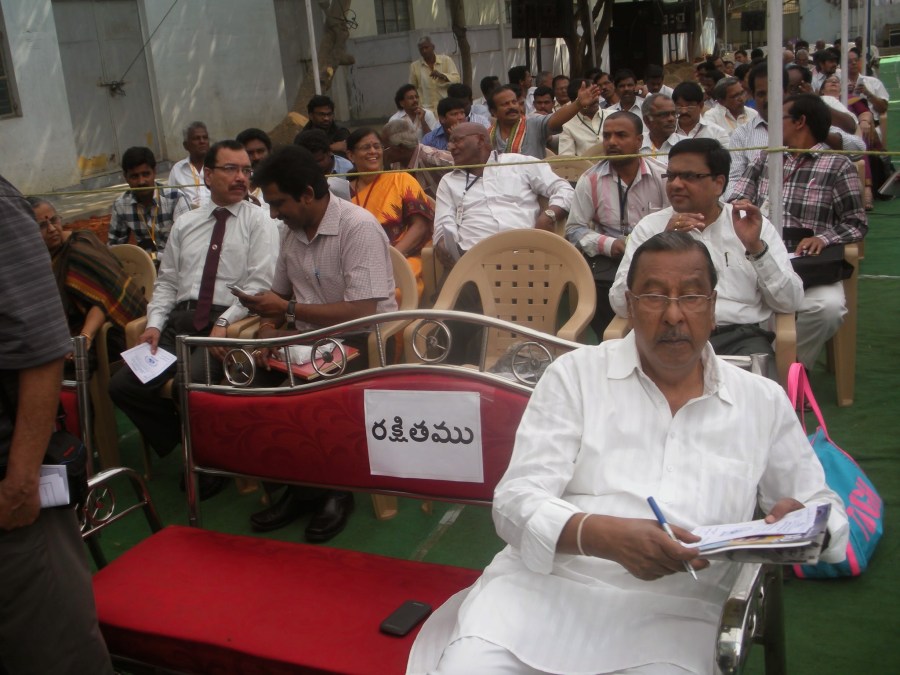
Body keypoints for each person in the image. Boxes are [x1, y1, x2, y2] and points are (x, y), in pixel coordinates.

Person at [407, 230, 848, 675]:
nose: (674, 314)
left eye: (691, 296)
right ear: (631, 307)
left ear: (712, 307)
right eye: (654, 296)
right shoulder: (575, 376)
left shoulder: (761, 401)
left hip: (681, 608)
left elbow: (824, 509)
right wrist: (598, 535)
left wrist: (801, 526)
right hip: (541, 593)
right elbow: (514, 501)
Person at [238, 145, 398, 541]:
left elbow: (362, 311)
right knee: (246, 384)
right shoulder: (291, 233)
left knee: (302, 392)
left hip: (363, 340)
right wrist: (267, 328)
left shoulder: (357, 227)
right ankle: (296, 486)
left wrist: (288, 312)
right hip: (308, 340)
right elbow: (278, 296)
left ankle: (334, 491)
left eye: (279, 203)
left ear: (307, 194)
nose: (273, 214)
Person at [109, 140, 278, 498]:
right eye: (231, 169)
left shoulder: (259, 221)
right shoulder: (186, 223)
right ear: (208, 175)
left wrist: (225, 322)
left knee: (192, 381)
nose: (241, 177)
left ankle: (209, 461)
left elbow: (259, 284)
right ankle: (195, 445)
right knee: (123, 386)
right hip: (180, 322)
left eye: (246, 170)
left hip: (224, 321)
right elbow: (167, 282)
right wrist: (154, 325)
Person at [0, 173, 115, 674]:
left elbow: (43, 346)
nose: (49, 230)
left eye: (52, 222)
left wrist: (21, 482)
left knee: (51, 649)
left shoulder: (6, 212)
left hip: (10, 491)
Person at [611, 138, 804, 364]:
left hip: (737, 338)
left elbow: (790, 301)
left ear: (718, 184)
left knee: (755, 382)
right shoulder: (651, 228)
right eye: (671, 176)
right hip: (667, 333)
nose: (676, 184)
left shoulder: (750, 225)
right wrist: (661, 245)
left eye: (689, 176)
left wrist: (756, 249)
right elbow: (620, 302)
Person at [729, 94, 867, 370]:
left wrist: (823, 238)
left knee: (828, 309)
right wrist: (743, 207)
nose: (772, 125)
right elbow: (737, 196)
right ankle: (771, 370)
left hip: (808, 264)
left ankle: (784, 370)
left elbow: (856, 222)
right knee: (741, 305)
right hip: (759, 255)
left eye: (779, 118)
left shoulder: (837, 165)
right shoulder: (767, 157)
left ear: (800, 122)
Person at [566, 111, 668, 334]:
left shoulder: (663, 176)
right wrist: (610, 245)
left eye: (621, 135)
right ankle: (611, 339)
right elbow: (574, 229)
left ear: (639, 141)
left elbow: (674, 220)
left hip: (657, 253)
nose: (612, 142)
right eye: (607, 136)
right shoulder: (590, 179)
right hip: (611, 258)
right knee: (596, 287)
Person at [434, 123, 573, 268]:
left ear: (480, 140)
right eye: (450, 142)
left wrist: (549, 216)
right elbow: (444, 223)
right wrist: (444, 243)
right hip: (473, 260)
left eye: (456, 141)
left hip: (524, 255)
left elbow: (564, 189)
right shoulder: (448, 181)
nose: (450, 147)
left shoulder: (519, 163)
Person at [31, 197, 146, 370]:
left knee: (59, 363)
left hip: (107, 328)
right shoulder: (34, 258)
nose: (52, 229)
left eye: (54, 220)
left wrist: (85, 337)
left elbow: (104, 296)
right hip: (64, 330)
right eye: (42, 225)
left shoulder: (80, 247)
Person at [726, 62, 865, 198]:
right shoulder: (742, 134)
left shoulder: (807, 124)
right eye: (761, 94)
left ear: (786, 91)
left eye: (774, 92)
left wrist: (818, 133)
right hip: (758, 209)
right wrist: (741, 205)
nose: (768, 99)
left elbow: (858, 150)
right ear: (752, 95)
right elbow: (734, 179)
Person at [346, 128, 434, 299]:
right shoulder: (343, 191)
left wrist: (390, 258)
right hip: (357, 262)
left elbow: (420, 226)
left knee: (392, 293)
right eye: (366, 147)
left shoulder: (401, 179)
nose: (373, 151)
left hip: (402, 257)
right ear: (351, 155)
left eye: (377, 146)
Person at [108, 145, 192, 258]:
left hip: (177, 261)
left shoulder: (175, 198)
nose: (141, 181)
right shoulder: (121, 205)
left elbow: (189, 243)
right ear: (126, 177)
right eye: (134, 176)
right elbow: (114, 248)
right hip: (144, 265)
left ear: (154, 172)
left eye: (146, 174)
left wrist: (154, 257)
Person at [487, 80, 601, 159]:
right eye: (505, 104)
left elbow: (555, 119)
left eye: (514, 102)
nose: (512, 106)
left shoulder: (533, 123)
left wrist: (578, 104)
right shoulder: (487, 135)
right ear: (493, 111)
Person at [294, 128, 353, 200]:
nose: (312, 166)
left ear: (329, 152)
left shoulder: (348, 170)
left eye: (318, 161)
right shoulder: (297, 171)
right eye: (307, 162)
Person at [409, 36, 460, 114]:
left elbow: (457, 79)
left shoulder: (446, 60)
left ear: (433, 47)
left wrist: (442, 76)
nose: (424, 51)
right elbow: (412, 88)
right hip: (426, 110)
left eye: (426, 47)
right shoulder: (414, 66)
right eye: (421, 49)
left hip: (445, 107)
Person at [672, 82, 730, 147]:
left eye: (689, 107)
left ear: (701, 105)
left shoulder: (717, 133)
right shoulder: (667, 131)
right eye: (679, 106)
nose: (683, 111)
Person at [557, 78, 605, 157]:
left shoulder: (614, 116)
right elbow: (566, 159)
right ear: (574, 102)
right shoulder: (567, 125)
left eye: (594, 94)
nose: (594, 99)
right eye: (588, 96)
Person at [169, 121, 211, 208]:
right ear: (186, 145)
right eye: (196, 138)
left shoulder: (218, 166)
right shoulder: (178, 169)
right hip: (188, 215)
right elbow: (170, 201)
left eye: (205, 137)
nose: (202, 141)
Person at [640, 93, 681, 165]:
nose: (671, 119)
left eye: (674, 114)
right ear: (647, 120)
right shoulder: (635, 145)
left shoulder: (688, 145)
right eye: (664, 115)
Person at [236, 127, 273, 206]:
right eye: (250, 153)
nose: (256, 157)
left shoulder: (281, 184)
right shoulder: (232, 184)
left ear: (269, 152)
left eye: (260, 151)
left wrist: (258, 210)